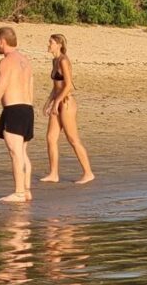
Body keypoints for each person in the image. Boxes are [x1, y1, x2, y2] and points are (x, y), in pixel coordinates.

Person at [0, 26, 35, 203]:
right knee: (22, 152)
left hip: (14, 110)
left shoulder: (6, 61)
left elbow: (1, 86)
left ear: (2, 41)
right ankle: (26, 190)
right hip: (27, 109)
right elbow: (31, 85)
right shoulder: (25, 60)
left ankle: (19, 192)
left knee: (15, 152)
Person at [40, 34, 95, 185]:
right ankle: (53, 173)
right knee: (51, 138)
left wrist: (57, 102)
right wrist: (48, 103)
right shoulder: (55, 60)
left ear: (58, 44)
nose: (48, 44)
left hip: (66, 103)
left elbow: (68, 85)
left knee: (73, 139)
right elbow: (56, 86)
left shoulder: (64, 60)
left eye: (50, 42)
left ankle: (88, 172)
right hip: (58, 101)